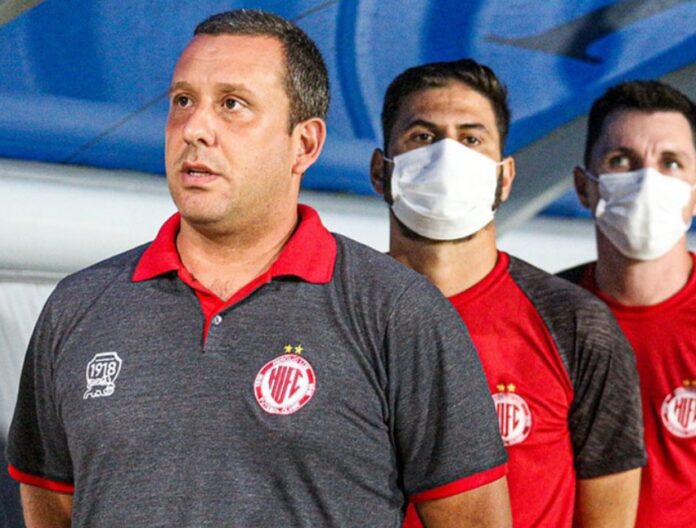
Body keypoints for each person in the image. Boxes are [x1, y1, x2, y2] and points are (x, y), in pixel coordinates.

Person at [5, 10, 512, 528]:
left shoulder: (396, 312)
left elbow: (473, 519)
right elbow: (51, 505)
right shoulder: (78, 306)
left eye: (232, 104)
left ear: (304, 144)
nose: (195, 129)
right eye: (183, 101)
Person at [369, 59, 646, 528]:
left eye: (471, 139)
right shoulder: (335, 313)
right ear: (381, 171)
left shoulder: (575, 324)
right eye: (422, 136)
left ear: (505, 176)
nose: (447, 156)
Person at [559, 80, 696, 527]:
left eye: (671, 163)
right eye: (622, 161)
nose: (647, 181)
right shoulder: (541, 317)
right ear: (584, 187)